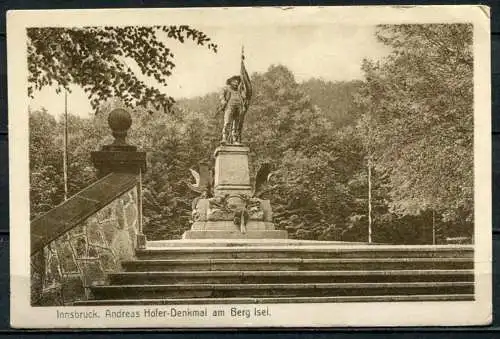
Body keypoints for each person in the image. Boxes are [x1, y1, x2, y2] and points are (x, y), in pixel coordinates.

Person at [218, 75, 245, 145]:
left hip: (238, 107)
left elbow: (243, 97)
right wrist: (223, 101)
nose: (236, 83)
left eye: (237, 81)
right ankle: (224, 138)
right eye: (234, 81)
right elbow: (221, 95)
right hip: (229, 107)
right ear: (230, 82)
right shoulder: (226, 88)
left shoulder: (239, 90)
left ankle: (235, 139)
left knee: (236, 124)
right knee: (227, 122)